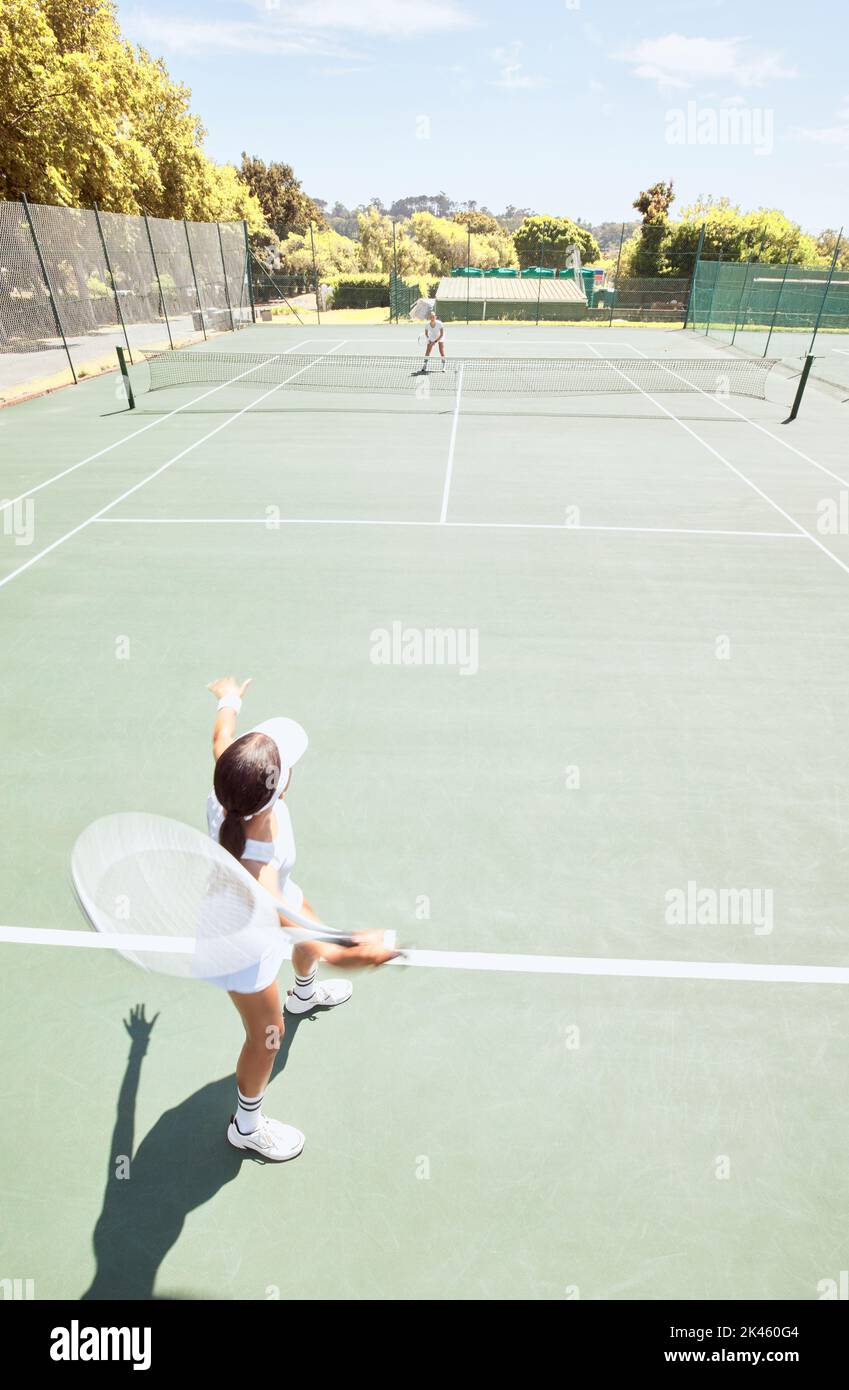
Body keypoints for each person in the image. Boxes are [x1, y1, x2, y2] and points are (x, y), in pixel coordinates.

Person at [206, 676, 397, 1163]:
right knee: (267, 1038)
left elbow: (221, 737)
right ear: (280, 786)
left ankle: (304, 993)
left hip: (274, 905)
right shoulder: (260, 866)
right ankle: (245, 1126)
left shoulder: (230, 784)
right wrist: (357, 952)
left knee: (304, 922)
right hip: (242, 945)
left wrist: (230, 698)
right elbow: (300, 929)